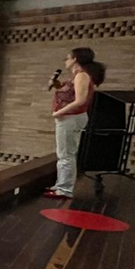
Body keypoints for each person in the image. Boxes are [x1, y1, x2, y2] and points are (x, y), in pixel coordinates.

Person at [47, 47, 105, 199]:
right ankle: (60, 185)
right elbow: (70, 93)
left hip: (71, 118)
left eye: (68, 58)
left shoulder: (82, 76)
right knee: (64, 153)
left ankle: (64, 189)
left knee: (66, 154)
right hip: (70, 118)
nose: (66, 61)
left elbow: (80, 100)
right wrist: (57, 85)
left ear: (75, 59)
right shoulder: (77, 76)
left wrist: (59, 112)